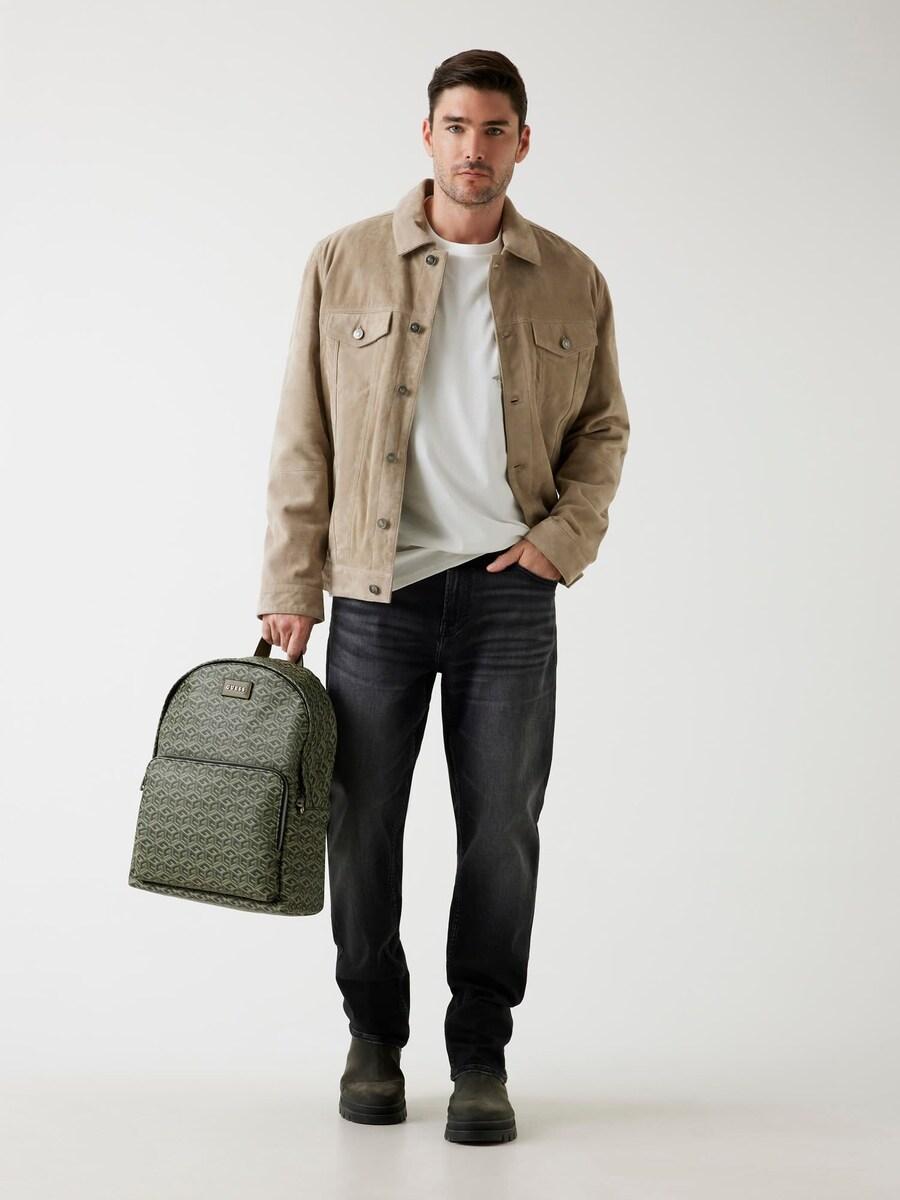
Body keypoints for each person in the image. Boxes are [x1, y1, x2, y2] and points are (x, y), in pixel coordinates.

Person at [257, 48, 630, 1145]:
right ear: (428, 135)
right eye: (457, 127)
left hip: (511, 595)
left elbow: (604, 427)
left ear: (523, 143)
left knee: (502, 830)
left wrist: (563, 540)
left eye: (495, 129)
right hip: (379, 594)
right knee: (360, 823)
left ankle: (480, 1054)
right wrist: (292, 582)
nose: (475, 148)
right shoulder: (344, 261)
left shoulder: (572, 278)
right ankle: (374, 1037)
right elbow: (303, 432)